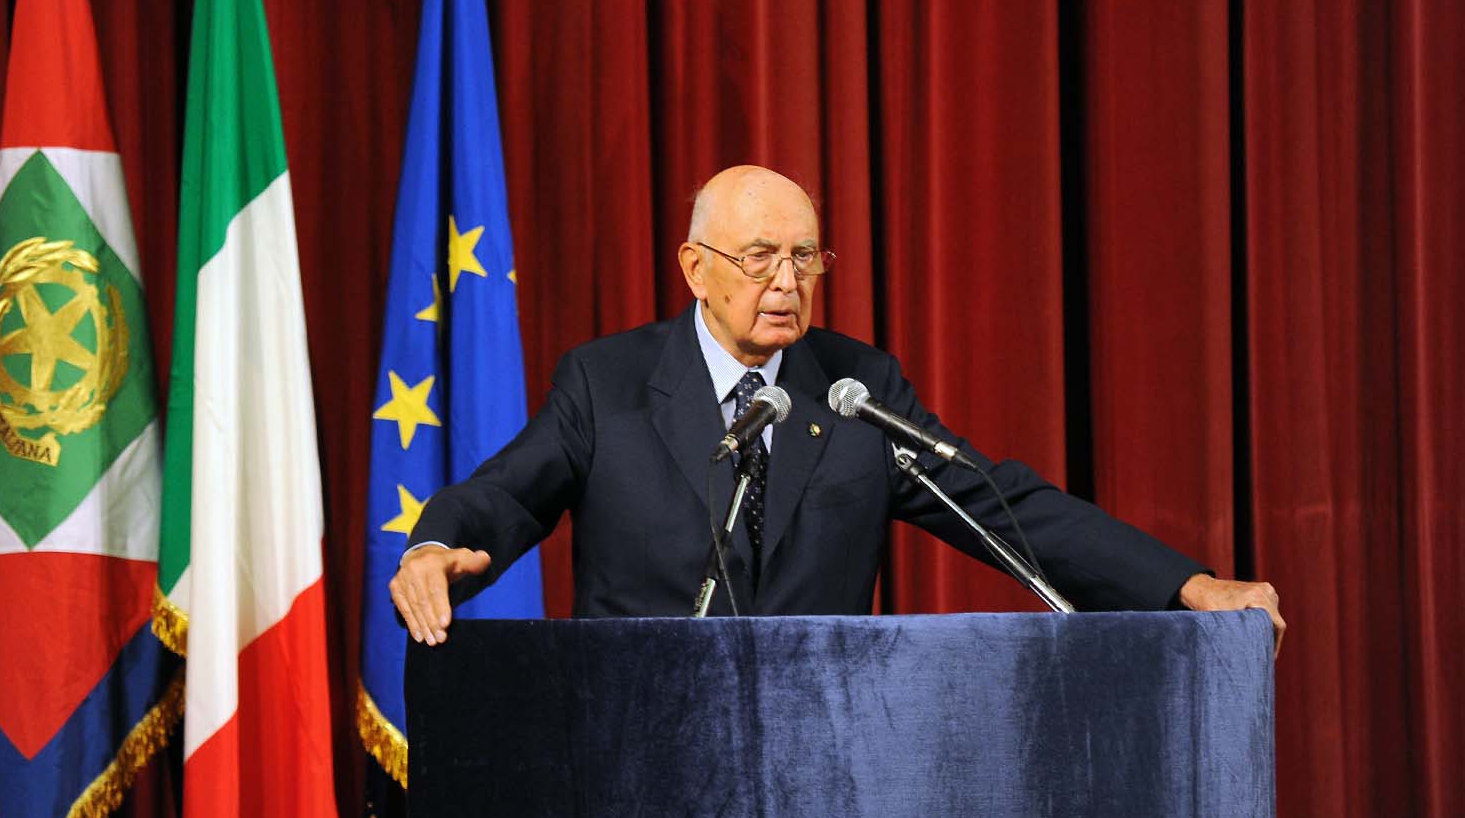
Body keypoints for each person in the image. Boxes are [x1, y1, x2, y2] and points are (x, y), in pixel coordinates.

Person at [391, 165, 1285, 652]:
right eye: (759, 258)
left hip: (818, 769)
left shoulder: (857, 388)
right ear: (695, 268)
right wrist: (434, 546)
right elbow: (507, 492)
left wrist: (1184, 586)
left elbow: (1000, 504)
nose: (787, 282)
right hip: (642, 755)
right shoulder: (607, 382)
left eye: (805, 257)